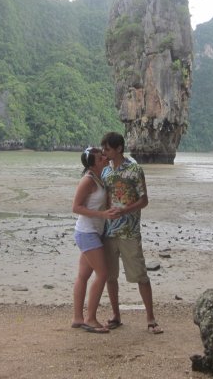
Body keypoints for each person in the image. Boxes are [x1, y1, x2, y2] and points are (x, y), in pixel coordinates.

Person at [100, 132, 163, 334]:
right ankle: (116, 315)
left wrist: (124, 210)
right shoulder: (105, 172)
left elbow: (144, 200)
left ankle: (151, 318)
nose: (104, 152)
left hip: (130, 231)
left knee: (140, 275)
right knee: (110, 276)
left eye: (107, 149)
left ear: (118, 149)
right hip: (108, 231)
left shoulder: (135, 170)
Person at [71, 147, 121, 333]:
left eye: (103, 156)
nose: (104, 159)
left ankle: (77, 318)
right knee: (103, 274)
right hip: (87, 232)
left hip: (92, 232)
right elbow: (76, 207)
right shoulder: (88, 180)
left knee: (83, 276)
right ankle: (90, 319)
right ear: (93, 164)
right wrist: (102, 214)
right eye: (100, 158)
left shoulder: (99, 178)